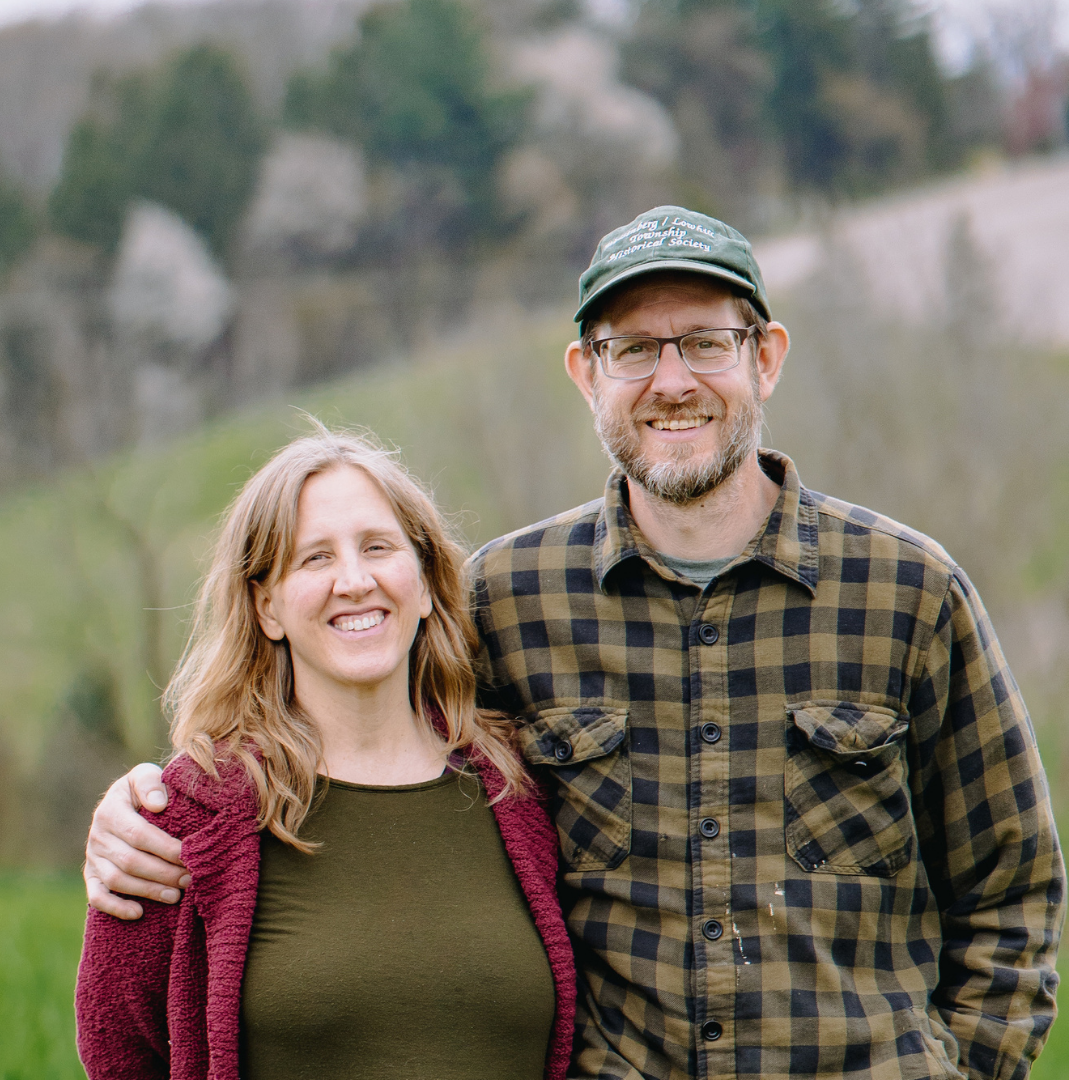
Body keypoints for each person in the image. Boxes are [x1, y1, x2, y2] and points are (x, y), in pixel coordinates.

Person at [84, 207, 1065, 1080]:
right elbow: (353, 728)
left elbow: (1012, 895)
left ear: (765, 357)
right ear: (585, 374)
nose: (670, 380)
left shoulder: (909, 592)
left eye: (705, 343)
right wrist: (138, 808)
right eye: (632, 349)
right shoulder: (507, 603)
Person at [75, 428, 576, 1080]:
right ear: (267, 608)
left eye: (378, 547)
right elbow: (118, 1051)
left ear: (424, 585)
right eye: (314, 559)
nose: (354, 579)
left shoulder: (522, 790)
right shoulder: (185, 821)